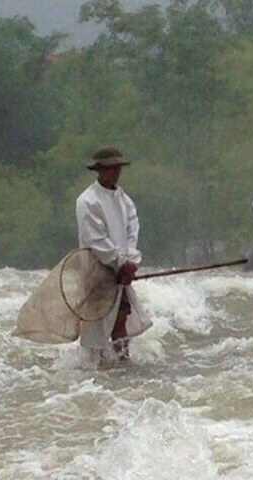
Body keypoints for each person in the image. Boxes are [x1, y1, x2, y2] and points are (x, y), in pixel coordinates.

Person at [75, 146, 152, 364]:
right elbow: (95, 240)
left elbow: (132, 229)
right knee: (97, 328)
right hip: (97, 272)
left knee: (121, 318)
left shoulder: (123, 199)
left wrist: (130, 261)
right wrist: (119, 262)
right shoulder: (87, 201)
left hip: (121, 270)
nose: (116, 172)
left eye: (118, 168)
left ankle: (122, 363)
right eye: (111, 168)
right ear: (99, 170)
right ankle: (96, 369)